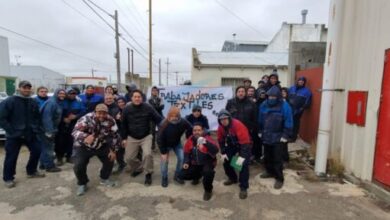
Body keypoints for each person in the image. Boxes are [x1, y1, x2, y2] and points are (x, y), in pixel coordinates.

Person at [0, 81, 45, 188]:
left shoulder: (32, 101)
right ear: (19, 88)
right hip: (14, 135)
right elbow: (1, 118)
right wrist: (11, 131)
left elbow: (37, 117)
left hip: (30, 133)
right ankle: (8, 178)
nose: (26, 90)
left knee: (37, 150)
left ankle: (31, 171)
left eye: (28, 88)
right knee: (11, 156)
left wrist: (36, 128)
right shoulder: (10, 101)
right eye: (24, 88)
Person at [72, 104, 120, 196]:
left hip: (101, 145)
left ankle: (104, 178)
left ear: (107, 113)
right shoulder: (86, 118)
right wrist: (85, 136)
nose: (101, 115)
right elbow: (75, 131)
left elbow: (115, 136)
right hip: (83, 146)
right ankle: (82, 183)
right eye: (99, 113)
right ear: (95, 112)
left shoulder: (110, 120)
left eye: (104, 113)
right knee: (78, 165)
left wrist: (113, 150)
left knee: (110, 159)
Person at [121, 89, 163, 186]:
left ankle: (148, 173)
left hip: (146, 136)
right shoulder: (126, 109)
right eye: (135, 97)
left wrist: (164, 128)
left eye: (139, 97)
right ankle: (139, 168)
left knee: (147, 155)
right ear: (131, 98)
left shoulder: (148, 107)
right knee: (129, 158)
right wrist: (124, 138)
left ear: (142, 98)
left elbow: (158, 119)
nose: (137, 98)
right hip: (132, 137)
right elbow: (123, 125)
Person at [258, 86, 293, 189]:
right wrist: (260, 130)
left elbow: (289, 121)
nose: (271, 98)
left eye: (274, 96)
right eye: (270, 96)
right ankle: (269, 171)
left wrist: (285, 135)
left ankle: (279, 178)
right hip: (266, 135)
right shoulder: (264, 105)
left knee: (277, 159)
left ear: (277, 96)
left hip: (278, 137)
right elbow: (260, 119)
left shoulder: (285, 106)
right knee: (267, 156)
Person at [217, 110, 251, 200]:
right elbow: (220, 140)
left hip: (244, 144)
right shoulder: (220, 127)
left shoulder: (237, 125)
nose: (223, 121)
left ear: (229, 118)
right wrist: (223, 152)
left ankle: (243, 187)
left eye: (225, 118)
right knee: (225, 160)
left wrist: (241, 157)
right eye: (221, 119)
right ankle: (232, 178)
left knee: (242, 164)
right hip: (232, 145)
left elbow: (245, 142)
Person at [180, 123, 219, 201]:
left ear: (202, 131)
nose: (196, 132)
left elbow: (216, 150)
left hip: (207, 162)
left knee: (208, 173)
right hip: (195, 163)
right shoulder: (190, 140)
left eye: (199, 130)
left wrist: (205, 142)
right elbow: (186, 153)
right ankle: (197, 177)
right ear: (192, 131)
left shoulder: (207, 138)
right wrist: (186, 162)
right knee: (182, 175)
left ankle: (208, 191)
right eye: (194, 130)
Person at [157, 107, 192, 187]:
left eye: (176, 116)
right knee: (164, 161)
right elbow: (159, 139)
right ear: (168, 115)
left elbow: (191, 128)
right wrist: (163, 152)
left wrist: (188, 138)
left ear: (178, 115)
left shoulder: (183, 121)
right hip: (165, 145)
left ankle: (177, 175)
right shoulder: (163, 123)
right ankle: (164, 177)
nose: (174, 118)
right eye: (171, 116)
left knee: (182, 158)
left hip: (176, 143)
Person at [226, 86, 258, 165]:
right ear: (236, 93)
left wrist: (252, 128)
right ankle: (236, 165)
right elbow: (226, 116)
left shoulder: (251, 103)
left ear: (245, 93)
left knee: (244, 149)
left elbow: (255, 117)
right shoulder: (230, 102)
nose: (241, 93)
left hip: (247, 131)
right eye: (239, 91)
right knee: (235, 148)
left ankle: (241, 165)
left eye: (242, 91)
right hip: (233, 131)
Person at [56, 88, 85, 166]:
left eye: (74, 94)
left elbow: (83, 111)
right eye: (70, 94)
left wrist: (76, 116)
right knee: (60, 141)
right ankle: (59, 157)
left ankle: (69, 156)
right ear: (67, 94)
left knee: (71, 140)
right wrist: (63, 118)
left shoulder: (79, 101)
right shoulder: (61, 101)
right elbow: (56, 112)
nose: (72, 95)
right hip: (61, 124)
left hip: (73, 124)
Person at [40, 89, 66, 172]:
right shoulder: (52, 103)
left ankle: (43, 164)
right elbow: (47, 118)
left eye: (63, 94)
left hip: (50, 129)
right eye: (60, 93)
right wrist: (49, 131)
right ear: (56, 94)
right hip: (47, 130)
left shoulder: (57, 102)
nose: (62, 95)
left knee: (45, 147)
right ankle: (50, 166)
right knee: (49, 148)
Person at [288, 76, 312, 141]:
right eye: (299, 80)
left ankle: (293, 137)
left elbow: (308, 101)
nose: (301, 82)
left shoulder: (307, 91)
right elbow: (286, 96)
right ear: (297, 81)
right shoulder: (292, 88)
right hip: (289, 109)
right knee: (288, 122)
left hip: (298, 110)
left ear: (304, 82)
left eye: (302, 81)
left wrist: (301, 109)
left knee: (295, 123)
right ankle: (288, 135)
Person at [112, 96, 127, 173]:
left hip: (131, 132)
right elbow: (112, 121)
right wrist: (116, 118)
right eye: (119, 102)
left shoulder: (129, 109)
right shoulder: (115, 111)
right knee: (119, 149)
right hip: (120, 133)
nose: (121, 103)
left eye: (122, 102)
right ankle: (121, 164)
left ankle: (137, 165)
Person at [148, 86, 165, 150]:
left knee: (161, 131)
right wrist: (156, 107)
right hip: (151, 118)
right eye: (153, 91)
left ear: (158, 92)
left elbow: (162, 107)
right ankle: (152, 146)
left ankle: (161, 145)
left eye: (156, 91)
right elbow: (149, 108)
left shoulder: (160, 99)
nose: (154, 92)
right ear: (151, 92)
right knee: (151, 132)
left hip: (159, 117)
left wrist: (154, 107)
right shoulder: (148, 99)